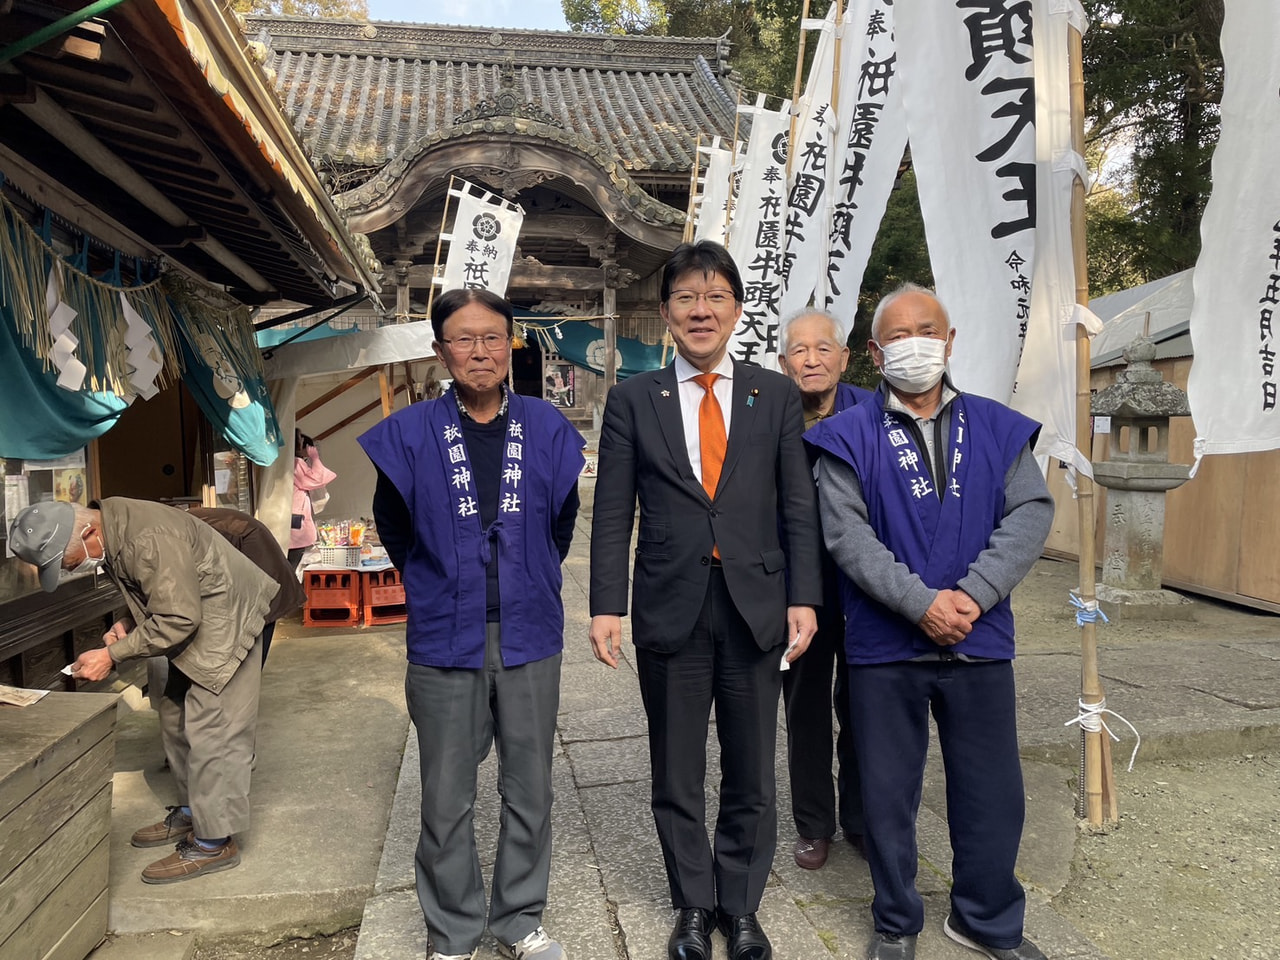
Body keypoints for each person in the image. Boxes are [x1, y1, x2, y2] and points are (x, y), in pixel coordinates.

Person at [804, 284, 1054, 960]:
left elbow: (1030, 513)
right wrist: (920, 602)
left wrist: (974, 594)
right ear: (877, 353)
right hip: (885, 645)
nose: (915, 344)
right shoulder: (845, 437)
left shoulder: (1000, 427)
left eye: (928, 330)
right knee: (887, 795)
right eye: (898, 335)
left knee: (993, 791)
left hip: (980, 637)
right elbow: (846, 535)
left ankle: (985, 918)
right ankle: (895, 921)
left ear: (949, 342)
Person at [589, 241, 822, 960]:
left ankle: (741, 905)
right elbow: (612, 508)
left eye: (715, 296)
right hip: (670, 603)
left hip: (756, 604)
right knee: (676, 768)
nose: (701, 310)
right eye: (687, 298)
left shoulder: (774, 393)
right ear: (666, 315)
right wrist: (606, 604)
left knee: (753, 766)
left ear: (736, 310)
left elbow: (797, 505)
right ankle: (693, 903)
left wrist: (804, 597)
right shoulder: (635, 399)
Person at [358, 287, 584, 960]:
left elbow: (562, 522)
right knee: (446, 793)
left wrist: (527, 574)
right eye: (463, 338)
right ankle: (454, 929)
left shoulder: (546, 426)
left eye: (492, 337)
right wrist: (441, 582)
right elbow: (395, 527)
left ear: (511, 344)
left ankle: (518, 918)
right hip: (443, 636)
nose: (479, 351)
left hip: (530, 632)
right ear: (440, 350)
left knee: (530, 785)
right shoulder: (410, 433)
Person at [8, 497, 278, 884]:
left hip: (225, 620)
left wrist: (112, 655)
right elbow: (155, 588)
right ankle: (192, 810)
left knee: (214, 731)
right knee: (173, 713)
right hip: (197, 618)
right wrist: (128, 623)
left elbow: (179, 616)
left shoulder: (145, 537)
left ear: (87, 532)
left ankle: (214, 841)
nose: (69, 570)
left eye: (65, 563)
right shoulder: (114, 524)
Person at [775, 308, 873, 870]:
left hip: (862, 586)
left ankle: (860, 818)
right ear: (784, 360)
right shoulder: (771, 412)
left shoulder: (873, 409)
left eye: (823, 348)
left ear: (844, 356)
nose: (811, 359)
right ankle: (815, 823)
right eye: (799, 350)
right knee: (805, 709)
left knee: (864, 705)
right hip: (795, 590)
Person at [189, 506, 306, 666]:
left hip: (262, 577)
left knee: (244, 667)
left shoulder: (182, 530)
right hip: (256, 573)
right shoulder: (183, 523)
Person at [289, 430, 337, 569]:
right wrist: (315, 459)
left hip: (292, 514)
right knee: (293, 561)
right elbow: (316, 479)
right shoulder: (296, 463)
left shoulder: (289, 461)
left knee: (293, 559)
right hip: (295, 518)